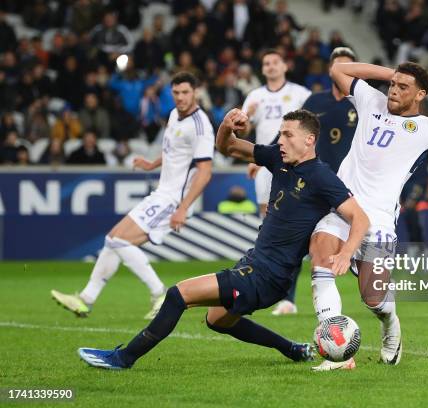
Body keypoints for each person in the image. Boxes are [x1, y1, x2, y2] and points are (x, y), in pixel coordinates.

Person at [76, 108, 370, 370]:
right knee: (217, 320)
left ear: (309, 140)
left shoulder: (322, 177)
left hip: (269, 275)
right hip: (256, 264)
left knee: (177, 295)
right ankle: (292, 349)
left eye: (287, 134)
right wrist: (227, 125)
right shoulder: (277, 159)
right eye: (280, 133)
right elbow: (227, 147)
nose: (280, 140)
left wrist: (345, 254)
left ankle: (124, 358)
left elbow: (360, 218)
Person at [309, 61, 428, 370]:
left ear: (420, 94)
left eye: (403, 87)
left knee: (373, 299)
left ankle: (391, 326)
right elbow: (337, 69)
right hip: (341, 208)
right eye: (393, 85)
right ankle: (337, 350)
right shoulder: (371, 99)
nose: (393, 91)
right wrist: (392, 73)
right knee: (320, 250)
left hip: (379, 220)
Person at [51, 72, 214, 320]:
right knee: (112, 240)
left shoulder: (200, 125)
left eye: (185, 93)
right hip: (163, 193)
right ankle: (85, 300)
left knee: (118, 240)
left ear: (195, 93)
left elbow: (205, 172)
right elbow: (175, 151)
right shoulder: (173, 115)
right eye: (176, 93)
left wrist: (183, 208)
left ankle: (160, 293)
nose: (180, 98)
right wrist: (152, 164)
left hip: (173, 200)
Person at [272, 47, 358, 316]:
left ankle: (374, 292)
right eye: (338, 67)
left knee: (355, 238)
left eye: (349, 67)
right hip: (314, 182)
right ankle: (287, 298)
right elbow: (293, 134)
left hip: (350, 186)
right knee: (299, 236)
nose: (344, 72)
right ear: (331, 70)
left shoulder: (363, 104)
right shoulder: (315, 102)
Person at [240, 49, 311, 217]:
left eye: (275, 62)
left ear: (285, 66)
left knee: (297, 210)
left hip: (296, 161)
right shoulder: (254, 96)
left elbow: (314, 125)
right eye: (266, 64)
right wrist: (246, 117)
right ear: (263, 70)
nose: (271, 66)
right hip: (266, 162)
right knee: (266, 212)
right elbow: (244, 133)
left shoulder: (301, 94)